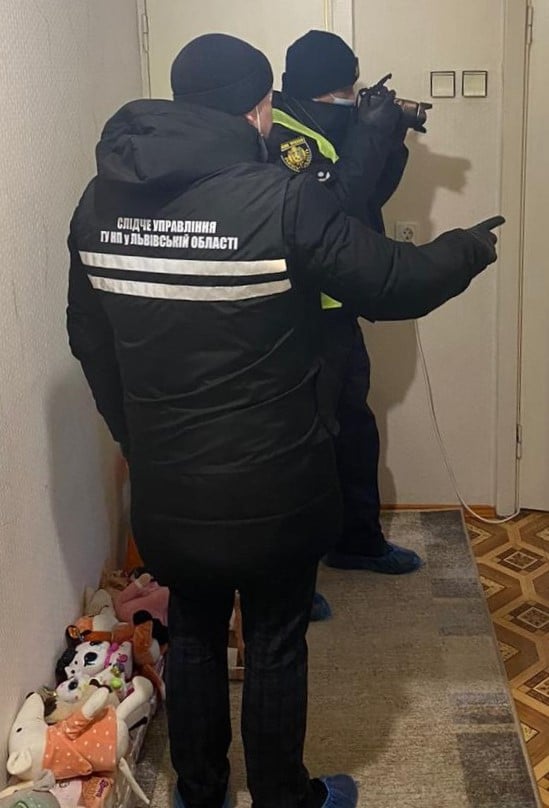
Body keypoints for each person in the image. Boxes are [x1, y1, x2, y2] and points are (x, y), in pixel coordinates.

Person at [66, 32, 503, 808]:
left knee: (194, 631)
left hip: (167, 479)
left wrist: (134, 434)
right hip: (276, 477)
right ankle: (282, 797)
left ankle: (199, 791)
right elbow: (391, 283)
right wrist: (466, 248)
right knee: (273, 639)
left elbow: (89, 338)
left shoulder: (99, 203)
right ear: (259, 108)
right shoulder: (280, 198)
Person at [269, 31, 423, 594]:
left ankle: (357, 541)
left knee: (353, 429)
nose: (351, 96)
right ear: (318, 87)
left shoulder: (328, 127)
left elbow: (370, 193)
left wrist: (391, 137)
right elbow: (334, 204)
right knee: (303, 444)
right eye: (344, 87)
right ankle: (289, 579)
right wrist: (369, 132)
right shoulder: (283, 135)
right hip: (297, 312)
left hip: (338, 306)